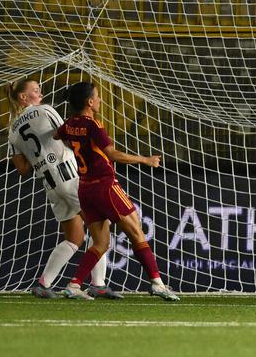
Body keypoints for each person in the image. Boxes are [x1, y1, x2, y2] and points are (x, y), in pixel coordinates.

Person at [55, 82, 179, 301]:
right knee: (136, 231)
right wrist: (145, 159)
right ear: (90, 102)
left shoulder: (70, 124)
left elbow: (58, 135)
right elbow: (112, 155)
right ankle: (157, 283)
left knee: (101, 243)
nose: (100, 100)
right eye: (98, 97)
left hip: (85, 188)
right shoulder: (94, 125)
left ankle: (74, 285)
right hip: (104, 185)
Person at [6, 79, 113, 299]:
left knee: (74, 237)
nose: (41, 94)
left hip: (51, 185)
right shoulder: (45, 110)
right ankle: (97, 284)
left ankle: (43, 284)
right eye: (36, 91)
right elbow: (68, 133)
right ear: (23, 97)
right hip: (70, 177)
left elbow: (22, 168)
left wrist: (39, 155)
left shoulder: (12, 131)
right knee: (100, 227)